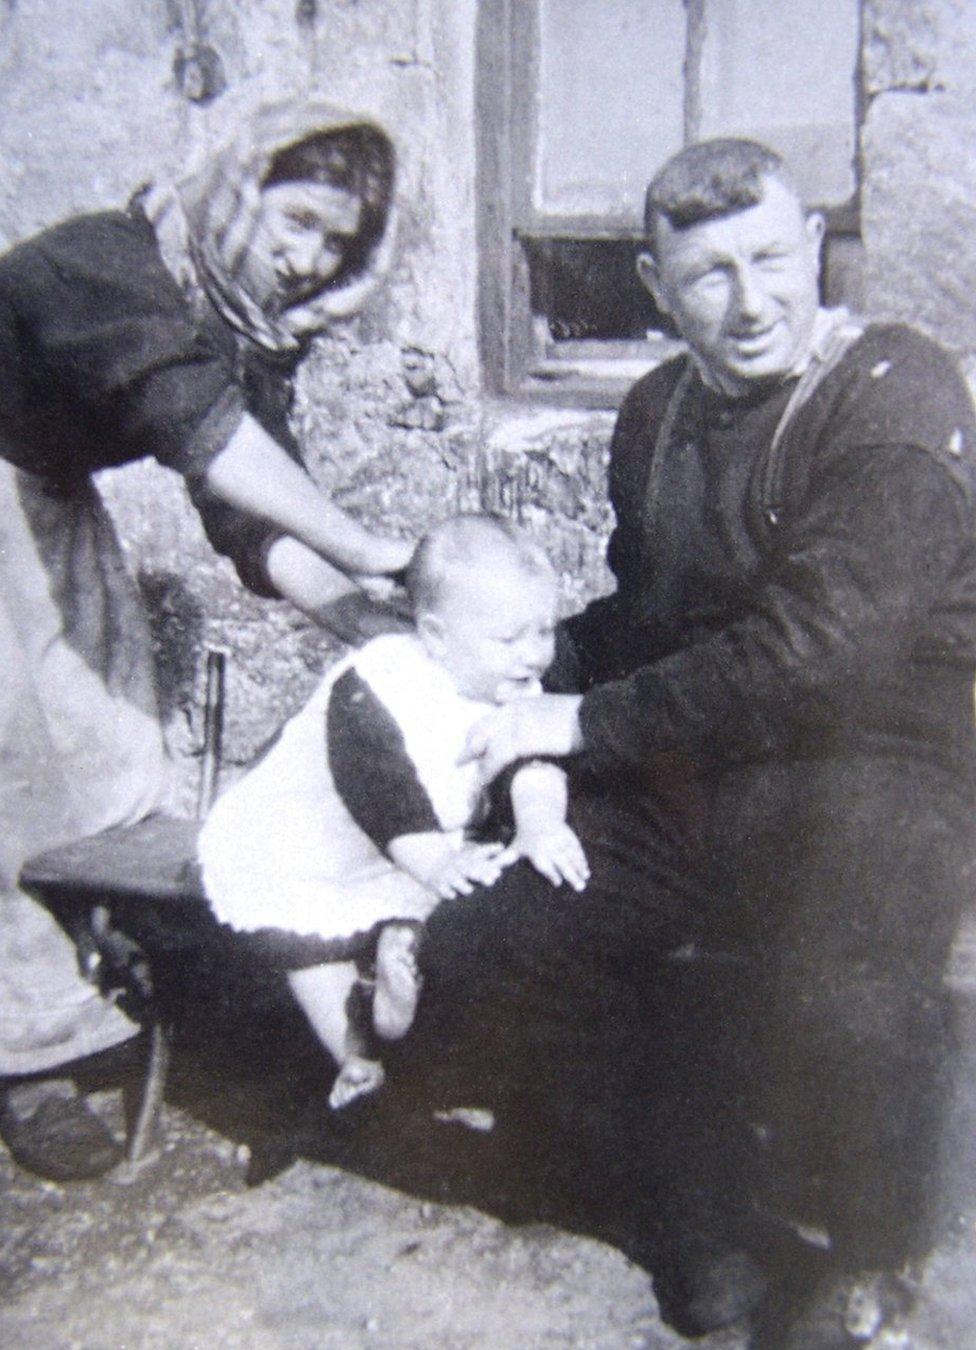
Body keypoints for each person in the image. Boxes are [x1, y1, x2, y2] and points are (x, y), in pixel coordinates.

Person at [414, 139, 976, 1344]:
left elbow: (823, 648)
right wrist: (507, 687)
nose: (749, 299)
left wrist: (580, 721)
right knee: (493, 939)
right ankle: (695, 1205)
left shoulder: (892, 389)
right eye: (708, 274)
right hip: (706, 755)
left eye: (771, 259)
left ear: (816, 249)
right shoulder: (658, 413)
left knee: (841, 986)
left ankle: (876, 1250)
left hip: (877, 754)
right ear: (656, 287)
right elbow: (643, 613)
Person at [0, 99, 414, 1182]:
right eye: (300, 220)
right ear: (242, 184)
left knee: (118, 750)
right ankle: (27, 1058)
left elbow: (252, 517)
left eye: (337, 244)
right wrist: (372, 547)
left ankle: (96, 982)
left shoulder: (238, 328)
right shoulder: (106, 264)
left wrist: (373, 628)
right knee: (12, 773)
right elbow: (212, 442)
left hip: (42, 490)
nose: (306, 257)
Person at [198, 514, 589, 1111]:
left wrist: (540, 822)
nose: (535, 656)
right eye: (511, 640)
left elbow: (533, 761)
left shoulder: (517, 684)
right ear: (435, 635)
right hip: (319, 839)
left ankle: (396, 968)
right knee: (306, 945)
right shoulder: (380, 684)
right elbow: (377, 791)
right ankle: (352, 1053)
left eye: (543, 631)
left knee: (468, 902)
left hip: (421, 848)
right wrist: (434, 863)